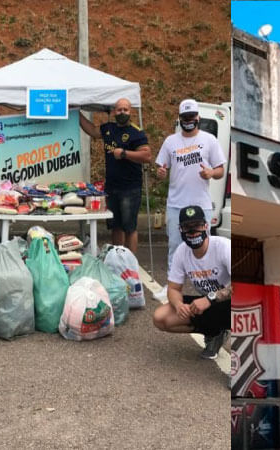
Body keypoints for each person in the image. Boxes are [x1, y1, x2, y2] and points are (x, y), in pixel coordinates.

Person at [155, 99, 226, 299]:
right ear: (180, 119)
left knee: (205, 247)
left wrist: (211, 172)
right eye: (184, 118)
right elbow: (162, 167)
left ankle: (212, 288)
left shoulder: (209, 139)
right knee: (175, 247)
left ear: (198, 118)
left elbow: (220, 169)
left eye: (191, 117)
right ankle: (171, 287)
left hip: (201, 204)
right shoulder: (170, 141)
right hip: (176, 204)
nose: (188, 120)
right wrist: (160, 172)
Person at [152, 205, 230, 359]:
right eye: (187, 227)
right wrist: (179, 306)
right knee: (160, 318)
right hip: (206, 304)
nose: (193, 232)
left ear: (206, 226)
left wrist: (210, 298)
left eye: (197, 226)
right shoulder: (182, 252)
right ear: (180, 230)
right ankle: (214, 333)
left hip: (232, 303)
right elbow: (173, 289)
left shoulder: (223, 247)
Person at [79, 98, 152, 254]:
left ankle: (130, 262)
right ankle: (117, 257)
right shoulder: (108, 128)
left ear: (130, 111)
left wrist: (125, 154)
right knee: (115, 225)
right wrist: (76, 114)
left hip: (130, 188)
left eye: (125, 110)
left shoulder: (136, 132)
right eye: (119, 110)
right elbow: (92, 130)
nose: (122, 113)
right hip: (111, 186)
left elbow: (147, 155)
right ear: (113, 112)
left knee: (129, 227)